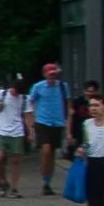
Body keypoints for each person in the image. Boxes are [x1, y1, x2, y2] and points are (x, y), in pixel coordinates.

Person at [28, 62, 70, 194]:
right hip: (42, 122)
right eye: (50, 74)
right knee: (46, 150)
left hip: (57, 123)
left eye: (54, 74)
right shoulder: (38, 87)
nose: (52, 77)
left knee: (52, 153)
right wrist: (32, 122)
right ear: (45, 74)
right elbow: (30, 103)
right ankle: (44, 176)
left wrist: (68, 124)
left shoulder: (63, 87)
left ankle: (47, 182)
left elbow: (68, 104)